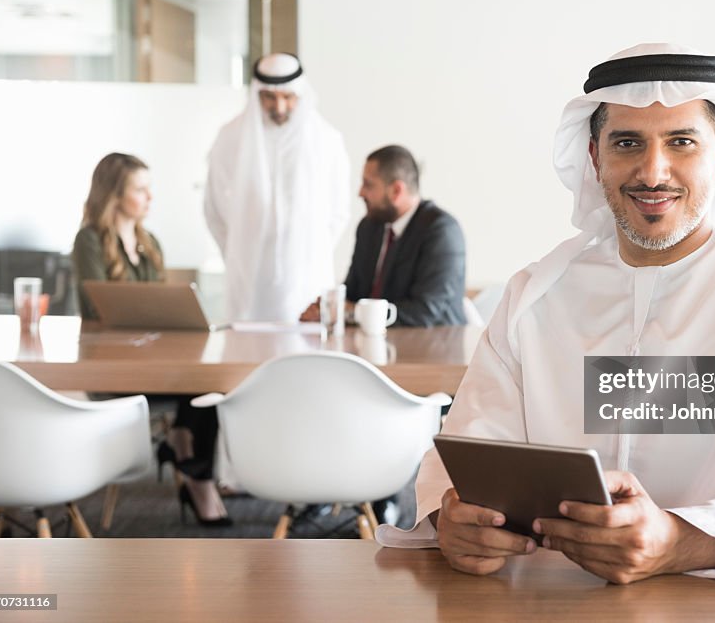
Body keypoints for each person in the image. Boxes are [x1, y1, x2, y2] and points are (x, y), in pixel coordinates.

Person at [377, 44, 715, 588]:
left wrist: (680, 541)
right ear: (596, 159)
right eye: (627, 143)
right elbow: (470, 452)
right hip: (551, 600)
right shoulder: (535, 295)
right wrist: (452, 519)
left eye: (682, 142)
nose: (652, 170)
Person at [72, 152, 231, 527]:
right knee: (198, 390)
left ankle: (194, 468)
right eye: (140, 189)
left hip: (153, 364)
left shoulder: (150, 241)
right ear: (114, 194)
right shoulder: (89, 241)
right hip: (112, 370)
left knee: (210, 384)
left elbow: (157, 307)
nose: (149, 197)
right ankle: (185, 453)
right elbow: (100, 308)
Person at [205, 52, 351, 322]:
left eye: (288, 97)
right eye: (269, 97)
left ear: (300, 95)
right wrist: (241, 254)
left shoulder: (326, 140)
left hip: (306, 277)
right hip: (249, 279)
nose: (279, 107)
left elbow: (338, 212)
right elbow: (215, 209)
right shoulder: (230, 138)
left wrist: (306, 249)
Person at [300, 144, 466, 327]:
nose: (360, 192)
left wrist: (351, 312)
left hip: (430, 349)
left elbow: (425, 311)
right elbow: (353, 291)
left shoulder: (441, 231)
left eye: (368, 184)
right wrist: (326, 306)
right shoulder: (369, 227)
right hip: (373, 345)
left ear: (396, 191)